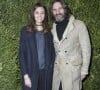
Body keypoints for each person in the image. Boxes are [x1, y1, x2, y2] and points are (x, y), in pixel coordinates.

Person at [50, 0, 91, 90]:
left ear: (65, 9)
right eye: (54, 9)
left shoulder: (79, 25)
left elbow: (86, 49)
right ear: (52, 12)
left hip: (72, 72)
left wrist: (84, 71)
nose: (57, 12)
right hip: (57, 73)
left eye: (60, 8)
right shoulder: (52, 29)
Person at [19, 2, 55, 90]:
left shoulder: (49, 32)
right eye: (37, 12)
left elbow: (53, 53)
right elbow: (22, 55)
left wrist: (51, 68)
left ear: (45, 15)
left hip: (46, 74)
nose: (40, 15)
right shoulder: (25, 31)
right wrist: (25, 76)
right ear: (33, 14)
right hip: (31, 73)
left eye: (42, 12)